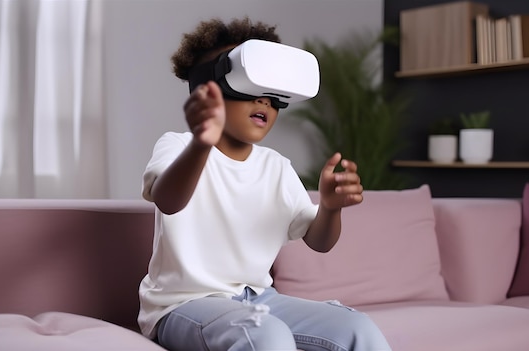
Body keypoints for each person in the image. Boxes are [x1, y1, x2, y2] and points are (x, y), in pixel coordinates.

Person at [138, 17, 392, 351]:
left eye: (272, 96)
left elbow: (319, 241)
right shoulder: (179, 146)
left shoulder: (276, 167)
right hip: (183, 305)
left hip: (259, 299)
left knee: (357, 328)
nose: (264, 102)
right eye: (249, 90)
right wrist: (202, 142)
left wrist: (329, 208)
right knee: (266, 335)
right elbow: (169, 200)